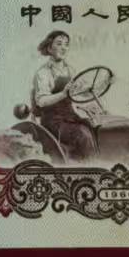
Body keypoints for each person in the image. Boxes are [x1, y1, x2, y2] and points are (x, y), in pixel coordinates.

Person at [29, 30, 95, 162]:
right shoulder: (43, 73)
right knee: (83, 136)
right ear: (49, 48)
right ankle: (89, 166)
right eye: (59, 44)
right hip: (53, 122)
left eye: (66, 44)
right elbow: (41, 101)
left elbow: (82, 91)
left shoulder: (70, 70)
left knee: (94, 127)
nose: (64, 48)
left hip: (70, 117)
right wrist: (63, 94)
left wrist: (105, 83)